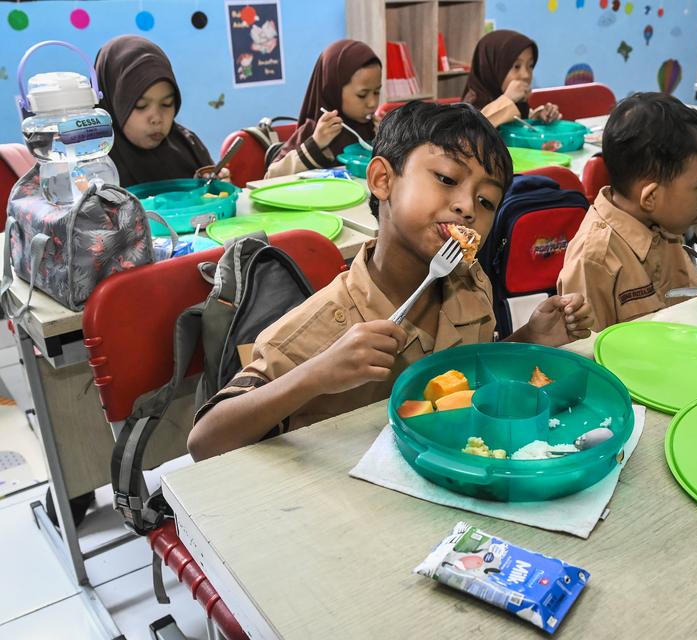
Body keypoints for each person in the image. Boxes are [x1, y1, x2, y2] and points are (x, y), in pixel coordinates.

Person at [188, 102, 594, 460]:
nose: (467, 207)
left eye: (486, 201)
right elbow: (205, 441)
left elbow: (469, 376)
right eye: (448, 179)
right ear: (383, 180)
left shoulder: (471, 285)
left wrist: (530, 338)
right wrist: (316, 374)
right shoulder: (321, 326)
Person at [557, 93, 697, 331]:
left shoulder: (665, 228)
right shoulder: (594, 260)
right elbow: (587, 352)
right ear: (651, 197)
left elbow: (691, 308)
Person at [94, 35, 222, 187]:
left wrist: (218, 186)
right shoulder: (95, 163)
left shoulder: (188, 146)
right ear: (112, 103)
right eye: (140, 105)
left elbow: (213, 200)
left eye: (167, 104)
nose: (156, 118)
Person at [265, 39, 381, 178]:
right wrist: (315, 144)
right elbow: (270, 176)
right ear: (333, 90)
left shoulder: (372, 128)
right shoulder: (318, 130)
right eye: (362, 95)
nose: (372, 103)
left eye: (377, 92)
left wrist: (388, 139)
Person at [461, 30, 561, 128]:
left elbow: (515, 124)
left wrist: (538, 118)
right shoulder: (470, 106)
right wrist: (508, 99)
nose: (526, 75)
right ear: (492, 68)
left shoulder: (517, 102)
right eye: (516, 66)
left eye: (530, 66)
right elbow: (470, 133)